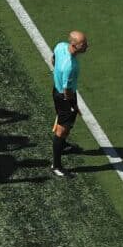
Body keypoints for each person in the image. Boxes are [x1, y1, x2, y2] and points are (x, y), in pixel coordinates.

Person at [50, 29, 87, 176]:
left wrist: (57, 75)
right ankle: (56, 166)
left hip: (56, 91)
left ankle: (63, 145)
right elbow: (67, 91)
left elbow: (53, 59)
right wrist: (74, 105)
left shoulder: (60, 46)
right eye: (83, 44)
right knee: (63, 128)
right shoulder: (71, 66)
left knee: (64, 122)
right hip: (65, 97)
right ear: (74, 45)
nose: (86, 46)